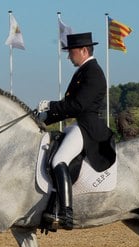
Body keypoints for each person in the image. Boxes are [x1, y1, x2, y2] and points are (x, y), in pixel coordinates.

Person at [37, 32, 116, 230]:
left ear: (83, 50)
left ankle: (65, 213)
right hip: (80, 124)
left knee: (58, 160)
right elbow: (70, 106)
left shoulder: (93, 72)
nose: (68, 56)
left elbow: (78, 105)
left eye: (70, 52)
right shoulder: (83, 71)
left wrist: (51, 107)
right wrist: (46, 117)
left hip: (88, 127)